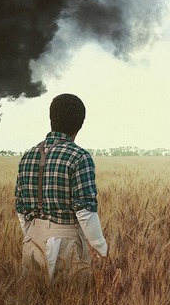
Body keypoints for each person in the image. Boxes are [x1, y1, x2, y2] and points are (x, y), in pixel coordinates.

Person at [14, 93, 108, 282]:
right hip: (66, 245)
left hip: (32, 242)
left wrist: (35, 236)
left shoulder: (28, 156)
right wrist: (102, 249)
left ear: (51, 119)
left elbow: (21, 209)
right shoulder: (79, 156)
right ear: (80, 124)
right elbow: (84, 210)